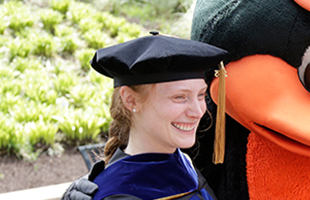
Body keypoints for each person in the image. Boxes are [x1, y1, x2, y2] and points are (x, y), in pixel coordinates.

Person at [65, 35, 227, 200]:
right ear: (130, 99)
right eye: (180, 97)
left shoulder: (184, 164)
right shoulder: (118, 193)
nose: (198, 111)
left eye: (201, 95)